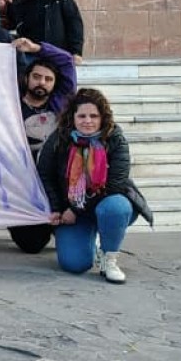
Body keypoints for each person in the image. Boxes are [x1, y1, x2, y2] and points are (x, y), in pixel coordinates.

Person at [39, 88, 153, 283]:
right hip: (71, 209)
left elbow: (114, 185)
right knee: (74, 264)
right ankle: (89, 240)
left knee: (116, 207)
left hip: (105, 204)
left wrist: (76, 209)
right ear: (72, 117)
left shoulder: (115, 139)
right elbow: (45, 174)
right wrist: (57, 208)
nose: (88, 121)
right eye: (82, 115)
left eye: (94, 115)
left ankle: (109, 258)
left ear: (103, 118)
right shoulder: (59, 139)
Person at [10, 36, 77, 254]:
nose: (42, 82)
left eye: (48, 79)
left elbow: (67, 61)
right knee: (31, 244)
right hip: (24, 184)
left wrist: (37, 48)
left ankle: (62, 227)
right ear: (27, 78)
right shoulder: (11, 104)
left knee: (72, 246)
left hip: (58, 183)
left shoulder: (62, 103)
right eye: (37, 77)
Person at [10, 0, 85, 62]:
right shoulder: (19, 1)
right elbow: (12, 25)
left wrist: (76, 52)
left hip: (57, 52)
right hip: (29, 54)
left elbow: (74, 25)